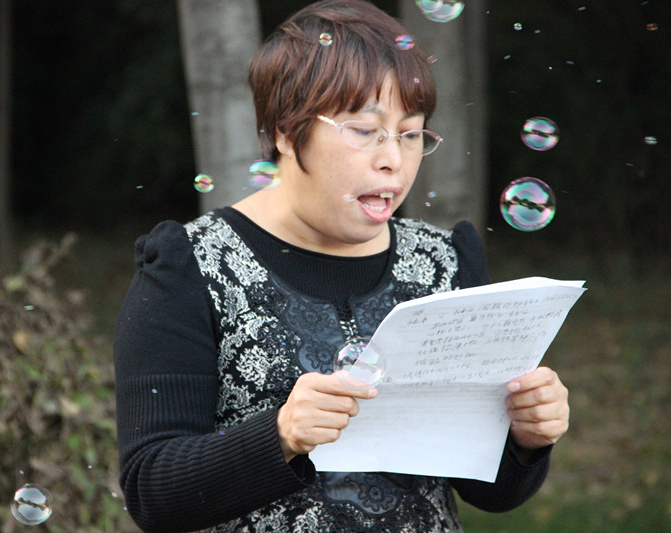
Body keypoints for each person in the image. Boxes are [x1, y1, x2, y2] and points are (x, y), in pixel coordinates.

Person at [113, 1, 571, 531]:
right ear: (286, 132)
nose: (393, 160)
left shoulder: (444, 263)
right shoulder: (190, 268)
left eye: (410, 133)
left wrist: (526, 440)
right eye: (364, 130)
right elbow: (152, 491)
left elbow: (487, 490)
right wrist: (281, 435)